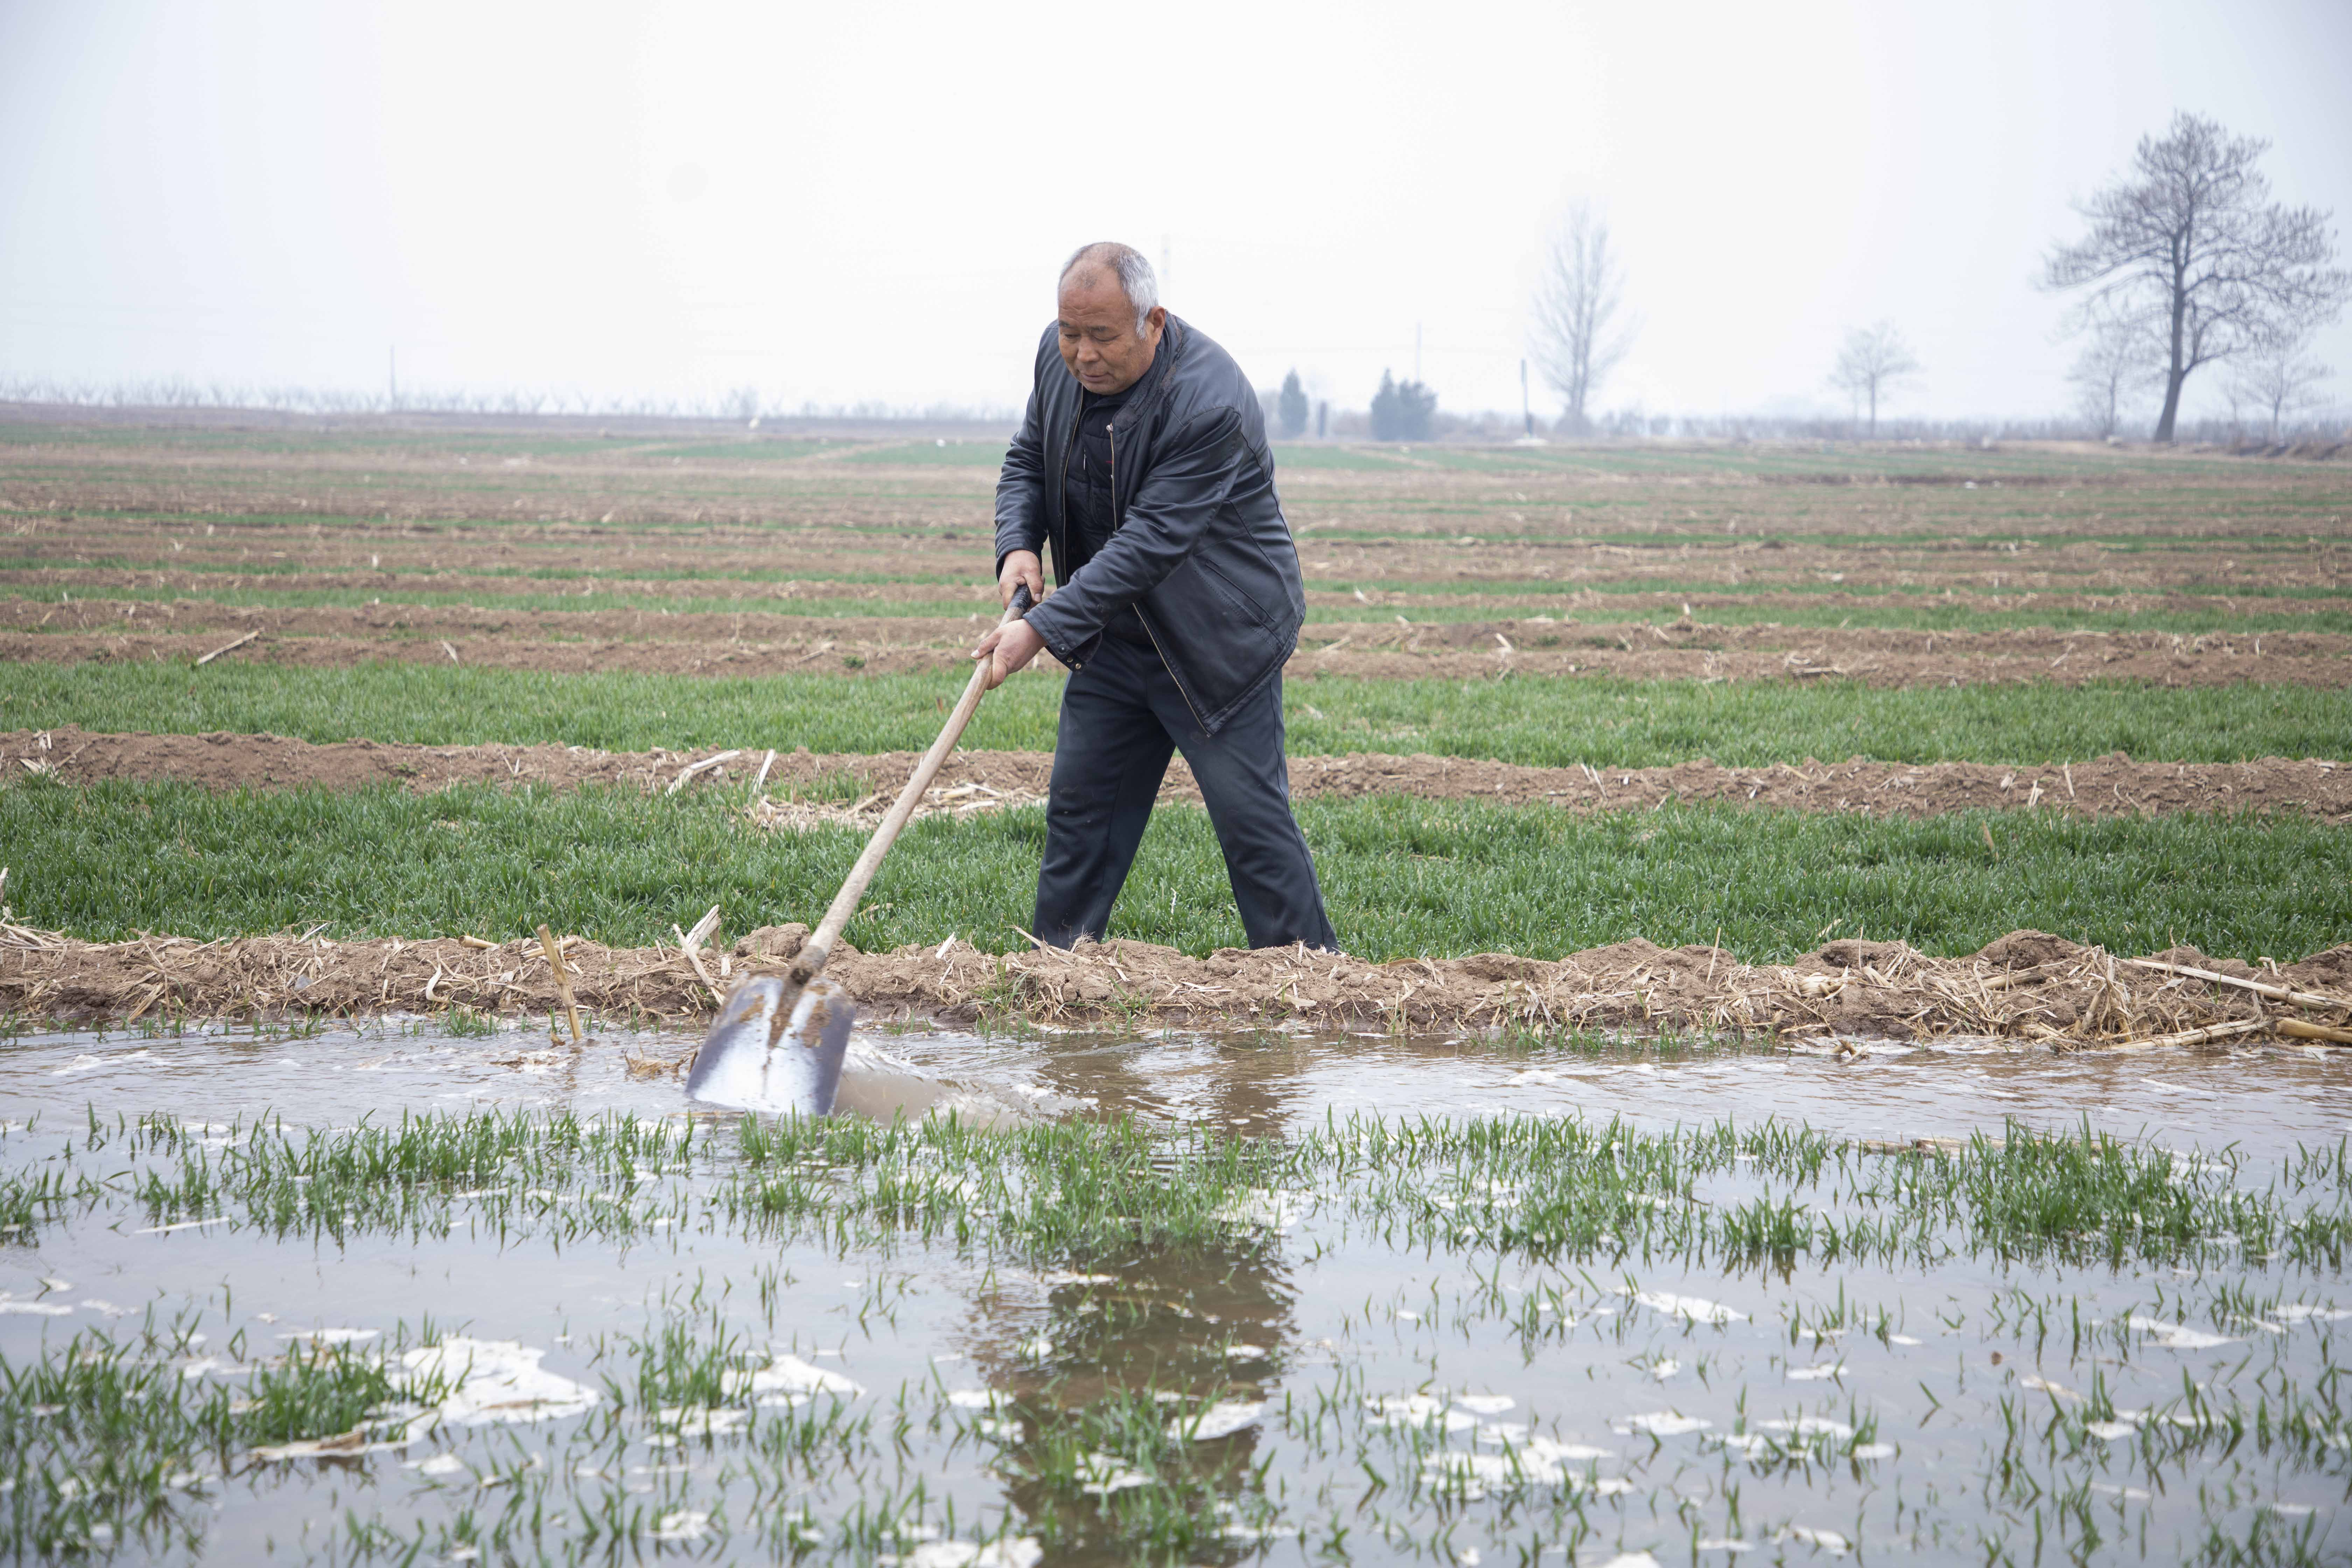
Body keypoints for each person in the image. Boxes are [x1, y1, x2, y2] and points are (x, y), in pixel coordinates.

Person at [972, 241, 1337, 951]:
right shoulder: (1058, 359)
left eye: (1103, 336)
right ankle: (1058, 978)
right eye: (1071, 333)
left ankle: (1312, 985)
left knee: (1252, 828)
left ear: (1153, 321)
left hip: (1214, 644)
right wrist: (1018, 543)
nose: (1083, 354)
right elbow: (1027, 457)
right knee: (1080, 819)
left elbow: (1149, 545)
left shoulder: (1210, 401)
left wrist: (1041, 627)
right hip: (1113, 638)